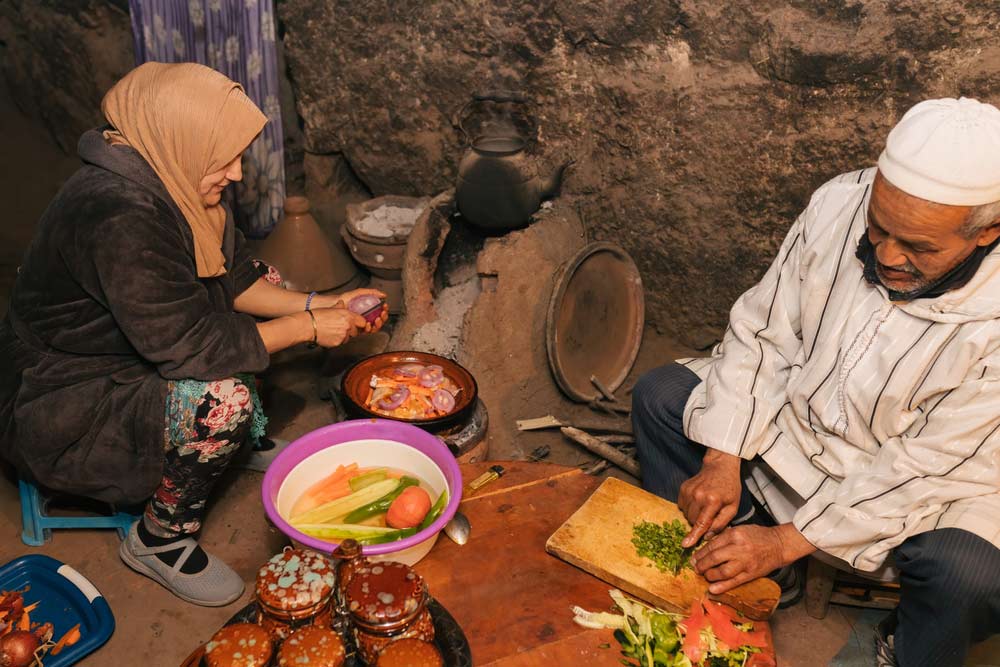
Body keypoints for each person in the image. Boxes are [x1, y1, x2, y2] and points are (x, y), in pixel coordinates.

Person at [0, 63, 387, 607]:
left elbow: (231, 279)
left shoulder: (173, 179)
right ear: (177, 138)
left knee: (268, 286)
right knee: (218, 400)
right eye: (222, 156)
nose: (234, 173)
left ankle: (231, 443)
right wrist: (306, 327)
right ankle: (160, 539)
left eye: (237, 155)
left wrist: (318, 303)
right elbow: (193, 348)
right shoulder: (119, 216)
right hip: (66, 397)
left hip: (137, 346)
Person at [633, 97, 1000, 667]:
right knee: (661, 398)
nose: (887, 255)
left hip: (937, 477)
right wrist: (721, 459)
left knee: (970, 573)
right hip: (810, 429)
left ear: (987, 231)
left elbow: (927, 465)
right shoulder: (840, 201)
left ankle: (908, 646)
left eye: (919, 247)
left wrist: (790, 538)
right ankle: (748, 568)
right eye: (879, 229)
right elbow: (765, 330)